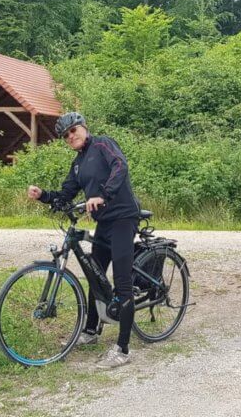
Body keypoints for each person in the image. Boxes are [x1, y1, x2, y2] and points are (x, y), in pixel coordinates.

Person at [27, 112, 140, 370]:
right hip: (104, 224)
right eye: (65, 136)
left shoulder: (103, 145)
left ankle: (122, 349)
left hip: (123, 218)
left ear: (84, 128)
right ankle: (91, 330)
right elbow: (66, 194)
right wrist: (43, 195)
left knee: (122, 282)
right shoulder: (78, 164)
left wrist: (103, 194)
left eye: (73, 130)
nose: (70, 137)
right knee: (95, 276)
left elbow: (120, 166)